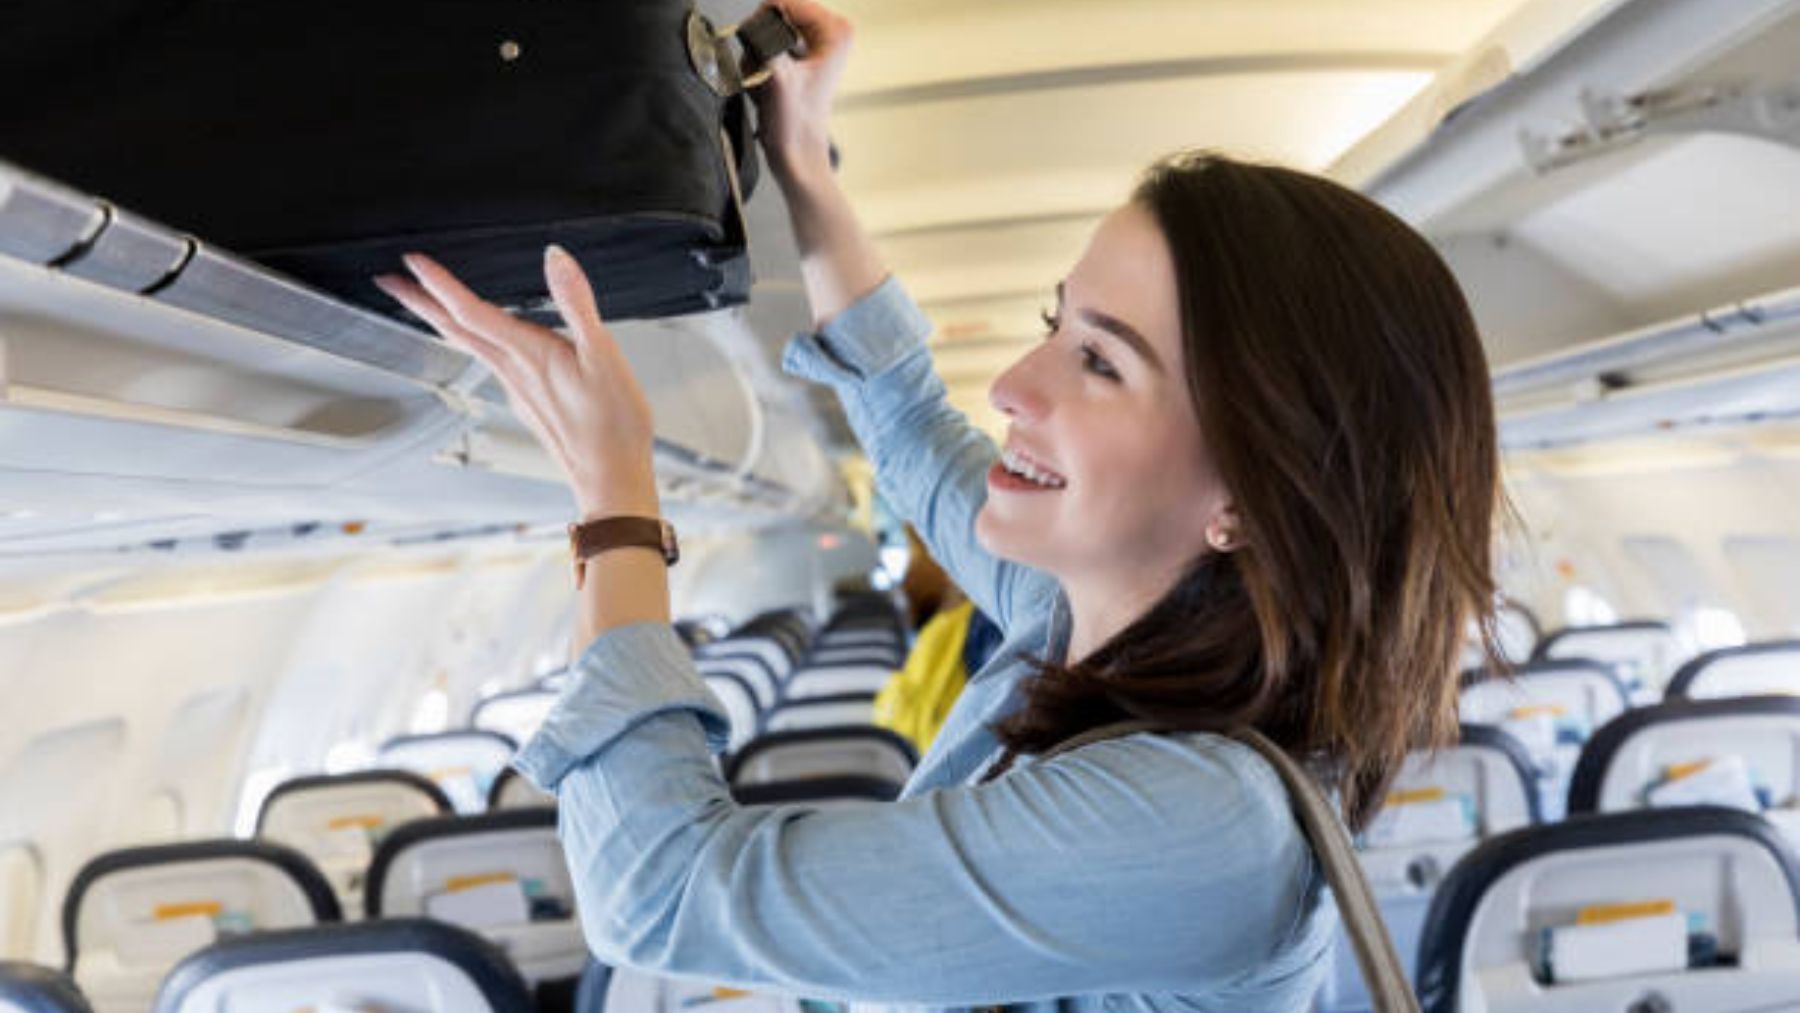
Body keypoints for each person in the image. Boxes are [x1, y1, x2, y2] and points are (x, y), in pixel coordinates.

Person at [372, 0, 1501, 1007]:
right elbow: (913, 423)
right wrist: (805, 167)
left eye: (1102, 364)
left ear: (1251, 498)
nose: (1014, 387)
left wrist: (615, 499)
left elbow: (661, 893)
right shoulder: (1073, 620)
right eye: (1057, 323)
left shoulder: (1202, 826)